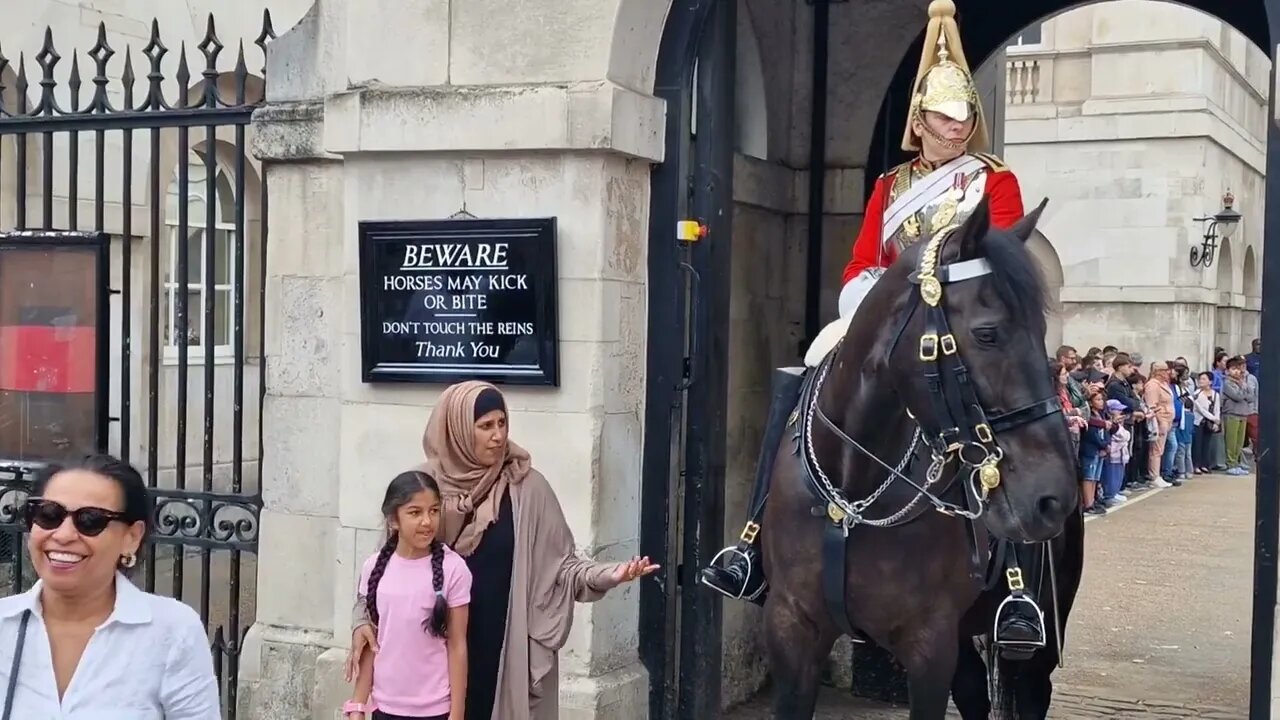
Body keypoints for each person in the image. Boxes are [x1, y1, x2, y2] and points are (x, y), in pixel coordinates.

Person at [700, 0, 1045, 651]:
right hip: (890, 316)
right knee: (804, 371)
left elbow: (1002, 257)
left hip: (964, 321)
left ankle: (1018, 587)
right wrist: (866, 303)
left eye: (966, 116)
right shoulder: (890, 186)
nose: (958, 127)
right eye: (945, 116)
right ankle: (750, 543)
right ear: (919, 121)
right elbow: (865, 259)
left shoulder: (995, 181)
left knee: (1005, 411)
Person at [345, 381, 657, 720]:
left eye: (502, 423)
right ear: (458, 429)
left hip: (499, 643)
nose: (498, 435)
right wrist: (360, 621)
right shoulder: (422, 487)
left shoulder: (527, 487)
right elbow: (383, 573)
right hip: (428, 660)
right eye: (485, 426)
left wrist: (609, 574)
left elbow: (563, 566)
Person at [0, 455, 220, 719]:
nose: (63, 535)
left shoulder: (173, 632)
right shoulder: (5, 625)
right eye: (49, 515)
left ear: (131, 537)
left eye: (90, 520)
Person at [345, 471, 471, 720]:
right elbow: (371, 642)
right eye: (415, 513)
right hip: (384, 708)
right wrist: (358, 705)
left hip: (436, 710)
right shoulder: (373, 568)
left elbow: (457, 646)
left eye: (434, 511)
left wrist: (457, 714)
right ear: (394, 519)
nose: (427, 521)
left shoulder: (454, 569)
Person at [1192, 370, 1222, 474]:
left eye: (1204, 379)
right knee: (1197, 444)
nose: (1201, 381)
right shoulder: (1197, 394)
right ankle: (1196, 465)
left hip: (1209, 423)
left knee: (1207, 444)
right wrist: (1214, 419)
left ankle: (1204, 464)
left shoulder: (1215, 395)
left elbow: (1217, 409)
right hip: (1199, 421)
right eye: (1200, 379)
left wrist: (1216, 422)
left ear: (1210, 381)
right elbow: (1201, 409)